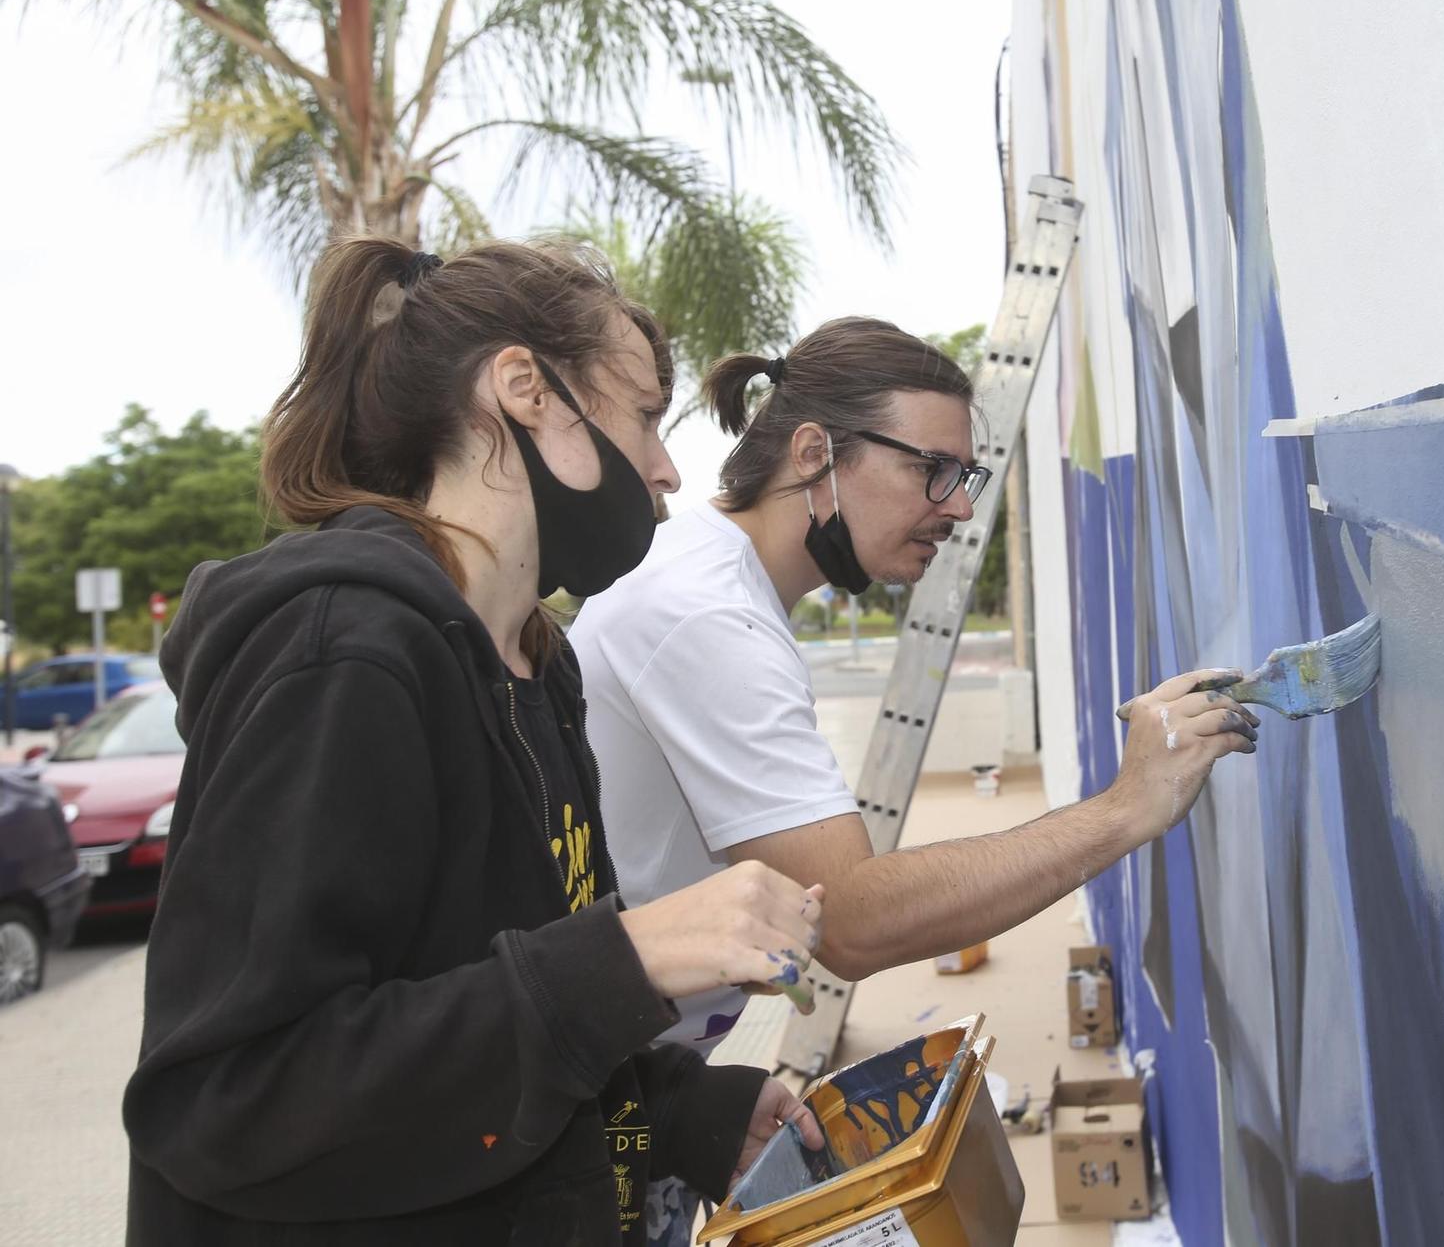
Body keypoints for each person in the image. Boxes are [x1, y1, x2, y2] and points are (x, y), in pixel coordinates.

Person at [123, 237, 829, 1246]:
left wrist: (692, 1114)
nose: (669, 468)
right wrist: (626, 955)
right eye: (641, 416)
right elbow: (234, 1096)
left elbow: (502, 1011)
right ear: (523, 390)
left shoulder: (538, 663)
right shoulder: (343, 654)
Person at [569, 317, 1257, 1247]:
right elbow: (847, 919)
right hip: (581, 1108)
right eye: (934, 469)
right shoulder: (705, 615)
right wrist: (1126, 808)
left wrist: (695, 1096)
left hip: (638, 1081)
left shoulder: (725, 590)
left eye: (964, 477)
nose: (959, 507)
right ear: (816, 454)